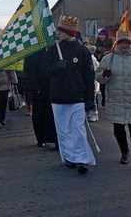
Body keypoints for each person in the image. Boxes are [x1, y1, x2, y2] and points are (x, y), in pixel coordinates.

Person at [42, 16, 96, 175]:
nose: (58, 33)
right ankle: (69, 158)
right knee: (63, 130)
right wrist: (57, 67)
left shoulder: (82, 50)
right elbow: (45, 71)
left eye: (60, 31)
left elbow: (89, 77)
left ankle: (81, 160)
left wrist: (89, 100)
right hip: (58, 98)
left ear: (68, 32)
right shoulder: (53, 50)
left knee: (78, 129)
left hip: (77, 97)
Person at [96, 29, 131, 168]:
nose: (125, 45)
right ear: (117, 43)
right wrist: (104, 75)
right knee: (119, 128)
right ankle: (124, 152)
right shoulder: (108, 59)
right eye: (122, 42)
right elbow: (99, 77)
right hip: (116, 98)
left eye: (127, 42)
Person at [24, 49, 58, 148]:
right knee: (39, 113)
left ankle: (54, 138)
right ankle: (41, 138)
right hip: (39, 88)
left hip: (53, 87)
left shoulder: (56, 50)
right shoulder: (34, 52)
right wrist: (35, 87)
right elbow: (30, 70)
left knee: (53, 114)